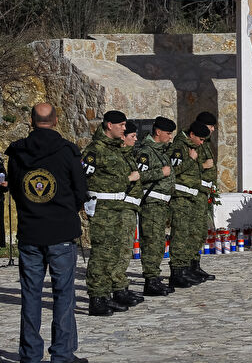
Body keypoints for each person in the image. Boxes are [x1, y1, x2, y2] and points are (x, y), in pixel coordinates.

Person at [5, 103, 88, 363]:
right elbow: (80, 191)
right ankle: (62, 355)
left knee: (30, 295)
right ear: (55, 120)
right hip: (61, 232)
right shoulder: (67, 152)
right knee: (63, 296)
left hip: (31, 231)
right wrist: (63, 211)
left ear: (31, 120)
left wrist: (33, 209)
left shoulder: (18, 153)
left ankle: (30, 356)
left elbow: (17, 190)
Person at [82, 110, 144, 316]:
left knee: (115, 253)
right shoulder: (94, 150)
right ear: (109, 125)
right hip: (103, 209)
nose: (124, 129)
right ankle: (97, 298)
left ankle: (109, 293)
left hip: (119, 207)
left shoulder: (117, 149)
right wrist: (127, 179)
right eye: (121, 125)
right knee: (101, 253)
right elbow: (84, 179)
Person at [136, 116, 177, 295]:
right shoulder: (146, 152)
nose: (170, 137)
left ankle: (154, 277)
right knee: (152, 242)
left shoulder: (160, 150)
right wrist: (160, 172)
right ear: (158, 132)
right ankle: (151, 280)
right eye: (168, 133)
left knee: (158, 242)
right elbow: (138, 176)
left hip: (161, 203)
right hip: (151, 202)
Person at [168, 121, 211, 288]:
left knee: (190, 234)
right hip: (180, 198)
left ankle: (186, 269)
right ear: (191, 134)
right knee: (180, 235)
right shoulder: (179, 147)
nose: (201, 142)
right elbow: (173, 170)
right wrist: (192, 160)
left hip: (191, 196)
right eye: (200, 139)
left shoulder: (191, 145)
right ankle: (177, 272)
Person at [192, 111, 218, 282]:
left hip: (203, 192)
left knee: (200, 232)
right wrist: (203, 165)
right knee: (192, 232)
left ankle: (195, 265)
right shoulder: (192, 143)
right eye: (210, 127)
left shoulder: (205, 142)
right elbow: (186, 167)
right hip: (194, 192)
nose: (213, 130)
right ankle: (186, 268)